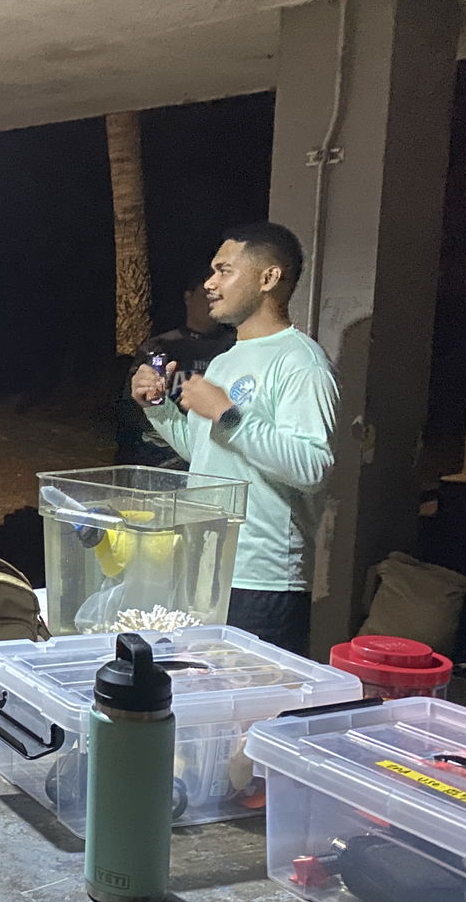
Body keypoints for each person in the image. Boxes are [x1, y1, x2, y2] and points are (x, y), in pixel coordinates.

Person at [133, 222, 338, 656]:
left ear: (268, 278)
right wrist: (159, 408)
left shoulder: (301, 362)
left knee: (253, 713)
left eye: (224, 270)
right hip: (205, 567)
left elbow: (312, 466)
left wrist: (226, 413)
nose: (210, 283)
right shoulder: (226, 360)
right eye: (212, 272)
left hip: (262, 579)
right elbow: (205, 451)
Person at [114, 271, 235, 468]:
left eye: (220, 293)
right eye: (206, 293)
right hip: (163, 454)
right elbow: (135, 409)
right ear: (189, 297)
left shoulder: (234, 348)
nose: (212, 300)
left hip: (218, 451)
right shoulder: (161, 347)